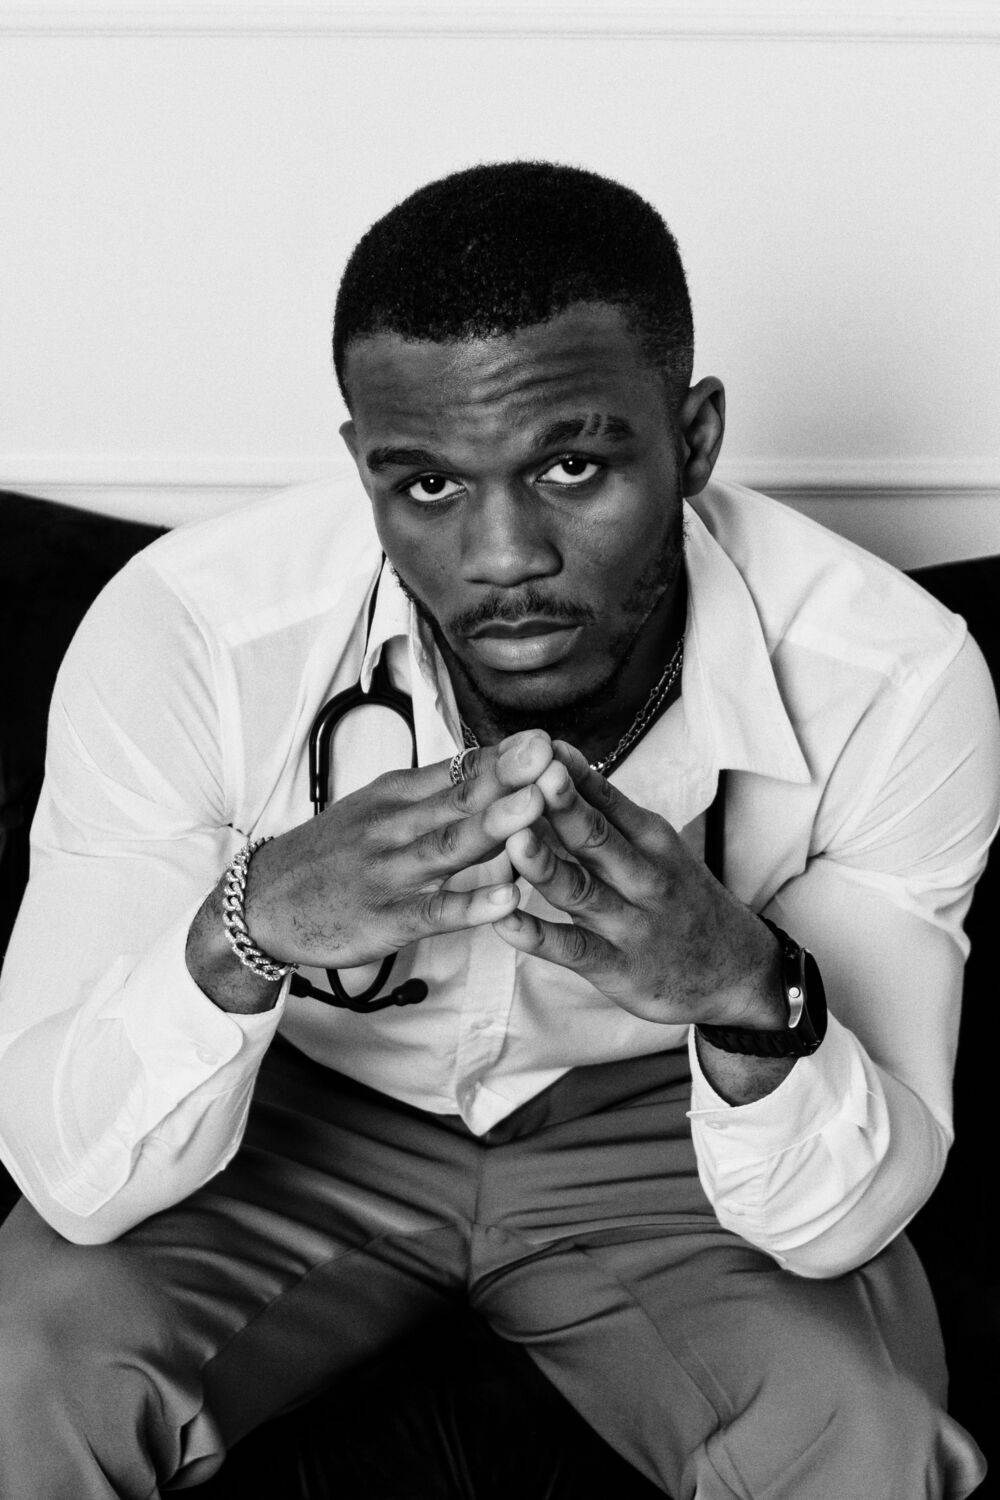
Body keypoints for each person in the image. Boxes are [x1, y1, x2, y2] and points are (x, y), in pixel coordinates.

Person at [0, 161, 996, 1500]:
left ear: (695, 439)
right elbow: (70, 1175)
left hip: (671, 1133)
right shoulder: (193, 634)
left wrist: (741, 986)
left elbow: (847, 1218)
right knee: (16, 1382)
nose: (504, 554)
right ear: (360, 464)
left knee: (864, 1435)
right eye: (426, 484)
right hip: (296, 1107)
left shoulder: (893, 675)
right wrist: (255, 923)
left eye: (572, 465)